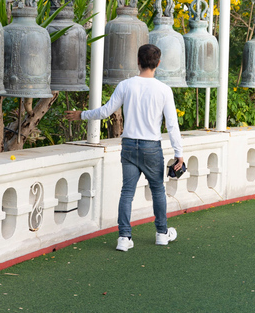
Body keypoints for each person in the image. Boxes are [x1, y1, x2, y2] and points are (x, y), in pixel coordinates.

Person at [65, 44, 184, 252]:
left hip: (129, 145)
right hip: (151, 147)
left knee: (127, 192)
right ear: (158, 63)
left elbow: (105, 111)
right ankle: (162, 234)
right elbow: (172, 125)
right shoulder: (164, 90)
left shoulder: (126, 85)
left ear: (138, 61)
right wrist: (178, 154)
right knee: (157, 190)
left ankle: (124, 237)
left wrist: (81, 115)